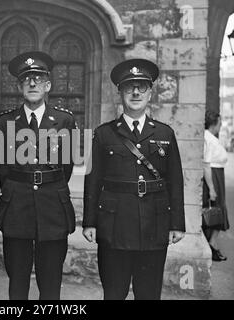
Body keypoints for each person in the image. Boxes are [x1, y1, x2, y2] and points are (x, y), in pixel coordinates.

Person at [82, 59, 185, 300]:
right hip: (114, 226)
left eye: (142, 86)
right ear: (120, 92)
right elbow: (93, 180)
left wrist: (177, 223)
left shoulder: (164, 133)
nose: (136, 92)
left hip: (154, 226)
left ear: (150, 93)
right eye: (129, 87)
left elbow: (176, 181)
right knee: (114, 293)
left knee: (148, 294)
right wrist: (90, 221)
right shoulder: (104, 133)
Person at [0, 51, 77, 300]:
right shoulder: (5, 122)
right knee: (17, 279)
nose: (32, 83)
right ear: (19, 86)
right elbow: (4, 169)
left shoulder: (64, 121)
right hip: (17, 205)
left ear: (48, 85)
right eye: (27, 79)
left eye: (38, 78)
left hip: (52, 206)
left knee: (50, 282)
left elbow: (67, 167)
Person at [202, 110, 229, 261]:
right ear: (215, 124)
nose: (220, 126)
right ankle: (211, 246)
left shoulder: (210, 137)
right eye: (219, 123)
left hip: (217, 175)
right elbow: (206, 164)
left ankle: (212, 245)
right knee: (216, 211)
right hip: (214, 177)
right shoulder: (208, 138)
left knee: (217, 211)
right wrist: (212, 188)